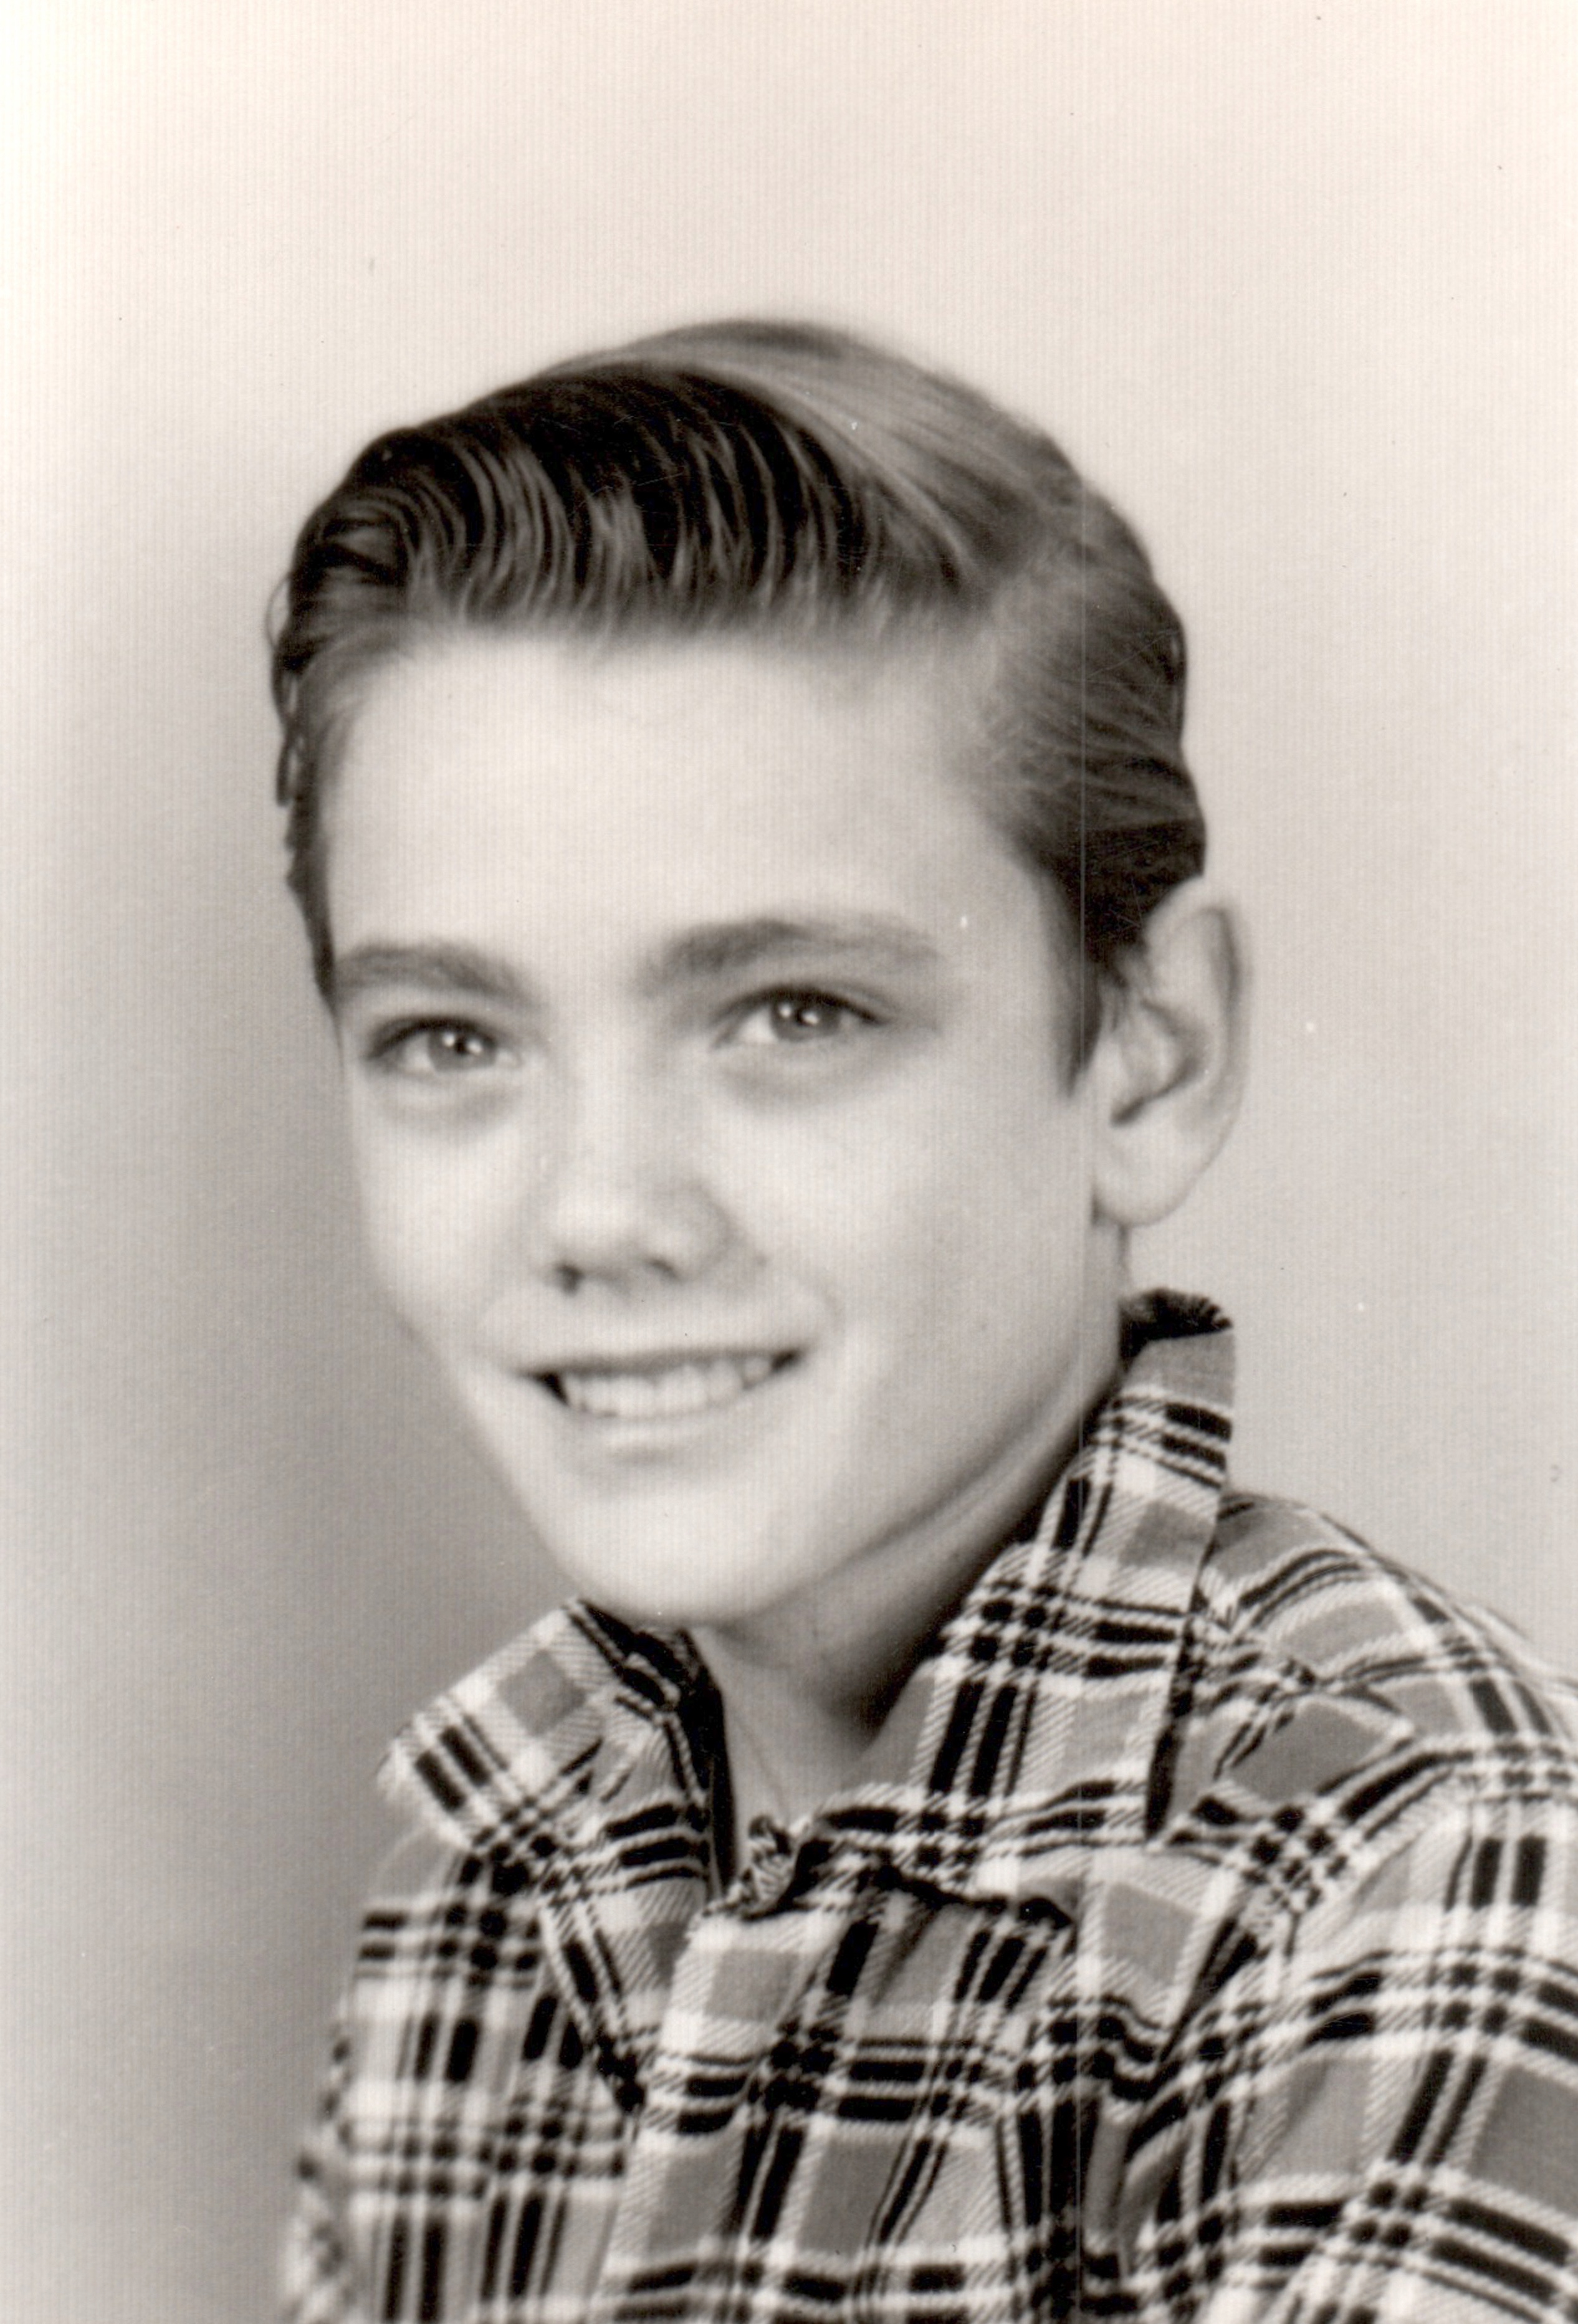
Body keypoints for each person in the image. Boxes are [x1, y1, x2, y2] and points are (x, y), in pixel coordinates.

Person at [273, 321, 1578, 2323]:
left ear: (1148, 1052)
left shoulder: (1423, 1871)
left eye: (792, 1013)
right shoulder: (492, 1866)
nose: (599, 1210)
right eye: (452, 1036)